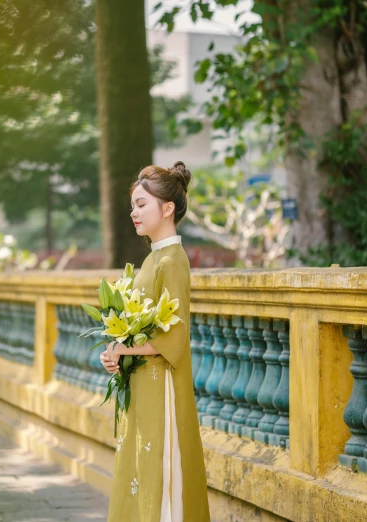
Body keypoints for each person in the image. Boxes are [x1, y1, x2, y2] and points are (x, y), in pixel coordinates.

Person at [100, 161, 210, 522]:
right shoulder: (151, 260)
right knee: (138, 463)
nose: (133, 212)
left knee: (160, 467)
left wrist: (123, 347)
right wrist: (116, 352)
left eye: (141, 204)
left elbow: (174, 338)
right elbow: (139, 328)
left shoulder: (173, 261)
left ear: (167, 208)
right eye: (132, 205)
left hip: (163, 385)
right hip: (143, 382)